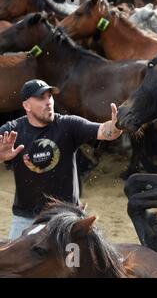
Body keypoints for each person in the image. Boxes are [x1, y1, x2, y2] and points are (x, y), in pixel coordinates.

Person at [0, 79, 123, 239]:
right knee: (12, 262)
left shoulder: (68, 125)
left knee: (77, 261)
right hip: (26, 217)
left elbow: (105, 131)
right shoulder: (13, 130)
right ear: (27, 106)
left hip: (67, 217)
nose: (48, 102)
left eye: (49, 96)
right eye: (41, 98)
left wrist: (116, 126)